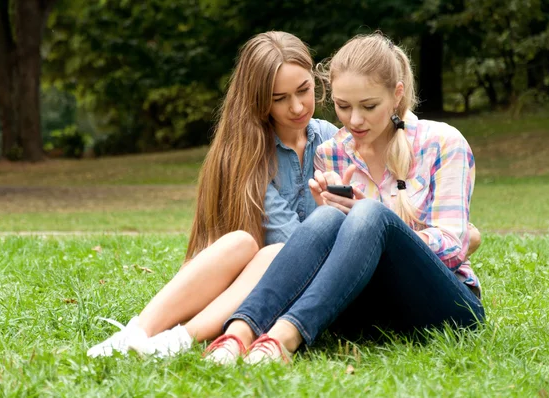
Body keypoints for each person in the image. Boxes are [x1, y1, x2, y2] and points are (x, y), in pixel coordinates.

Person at [204, 33, 485, 365]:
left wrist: (376, 227)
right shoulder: (333, 152)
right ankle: (239, 333)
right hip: (364, 311)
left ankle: (282, 339)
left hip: (443, 307)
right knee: (328, 219)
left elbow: (453, 243)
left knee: (369, 214)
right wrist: (338, 223)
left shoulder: (442, 142)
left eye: (368, 106)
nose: (354, 120)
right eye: (342, 106)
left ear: (396, 95)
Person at [86, 31, 338, 358]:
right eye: (280, 98)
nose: (297, 106)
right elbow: (291, 241)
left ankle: (177, 341)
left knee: (272, 253)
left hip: (291, 293)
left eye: (304, 90)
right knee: (245, 243)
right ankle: (136, 333)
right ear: (260, 100)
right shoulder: (248, 153)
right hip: (241, 290)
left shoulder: (331, 140)